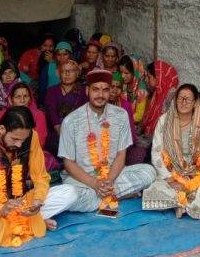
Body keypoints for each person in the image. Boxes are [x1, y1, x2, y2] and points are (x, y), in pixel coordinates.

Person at [0, 107, 78, 246]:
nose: (19, 144)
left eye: (23, 139)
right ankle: (31, 224)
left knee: (70, 192)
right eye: (14, 139)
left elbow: (41, 177)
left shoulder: (31, 137)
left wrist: (38, 201)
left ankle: (19, 225)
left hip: (23, 204)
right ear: (2, 130)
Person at [58, 69, 156, 213]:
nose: (100, 95)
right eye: (95, 90)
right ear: (87, 91)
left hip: (112, 177)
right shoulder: (71, 121)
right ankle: (116, 194)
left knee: (149, 172)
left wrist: (108, 181)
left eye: (105, 90)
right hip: (81, 180)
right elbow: (68, 163)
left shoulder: (120, 115)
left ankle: (100, 197)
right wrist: (94, 183)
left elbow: (121, 154)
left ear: (110, 91)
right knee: (70, 194)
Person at [143, 84, 200, 219]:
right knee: (154, 192)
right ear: (175, 100)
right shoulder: (164, 121)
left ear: (195, 103)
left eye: (187, 99)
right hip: (171, 170)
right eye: (180, 98)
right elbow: (156, 153)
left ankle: (182, 203)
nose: (183, 102)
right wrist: (170, 179)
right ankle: (183, 201)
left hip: (196, 170)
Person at [0, 83, 56, 171]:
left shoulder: (38, 115)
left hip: (31, 153)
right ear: (11, 99)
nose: (22, 100)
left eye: (25, 96)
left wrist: (23, 157)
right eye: (18, 97)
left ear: (30, 99)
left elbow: (40, 142)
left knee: (44, 160)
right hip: (5, 154)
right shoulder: (0, 115)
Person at [45, 60, 87, 156]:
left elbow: (85, 112)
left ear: (77, 73)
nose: (67, 74)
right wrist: (59, 130)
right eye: (64, 71)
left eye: (71, 71)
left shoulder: (84, 90)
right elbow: (52, 112)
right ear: (59, 74)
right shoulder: (51, 91)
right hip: (56, 133)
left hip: (79, 132)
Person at [109, 72, 146, 165]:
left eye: (118, 87)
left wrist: (124, 148)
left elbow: (131, 131)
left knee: (139, 153)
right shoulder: (100, 102)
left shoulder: (125, 105)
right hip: (102, 146)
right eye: (111, 86)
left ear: (122, 89)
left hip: (122, 147)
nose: (114, 90)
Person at [141, 60, 180, 138]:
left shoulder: (171, 97)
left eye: (149, 77)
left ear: (159, 77)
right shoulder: (158, 93)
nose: (146, 80)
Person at [37, 41, 68, 107]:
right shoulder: (48, 68)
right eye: (59, 54)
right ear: (55, 56)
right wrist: (41, 105)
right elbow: (42, 89)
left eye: (65, 54)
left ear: (70, 55)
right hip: (50, 103)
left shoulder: (74, 69)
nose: (62, 57)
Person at [119, 55, 148, 124]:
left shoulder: (141, 91)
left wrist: (120, 120)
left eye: (126, 73)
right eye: (121, 72)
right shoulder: (125, 84)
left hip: (131, 125)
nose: (122, 76)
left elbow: (139, 116)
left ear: (135, 72)